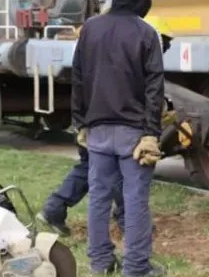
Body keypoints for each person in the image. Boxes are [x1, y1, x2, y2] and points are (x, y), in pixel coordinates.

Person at [71, 0, 166, 277]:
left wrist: (80, 124)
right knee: (135, 198)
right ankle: (136, 268)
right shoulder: (146, 34)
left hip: (97, 130)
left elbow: (78, 80)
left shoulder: (90, 30)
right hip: (134, 135)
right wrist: (152, 133)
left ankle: (100, 263)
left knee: (98, 196)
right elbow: (155, 88)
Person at [37, 17, 174, 236]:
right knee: (119, 171)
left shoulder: (113, 50)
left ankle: (55, 208)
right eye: (164, 45)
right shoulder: (131, 56)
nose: (163, 50)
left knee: (90, 167)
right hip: (104, 124)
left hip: (92, 119)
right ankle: (126, 222)